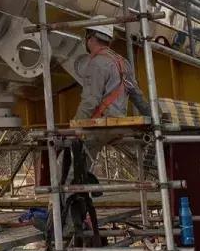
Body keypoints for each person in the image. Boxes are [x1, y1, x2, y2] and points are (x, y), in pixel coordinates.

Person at [65, 24, 152, 185]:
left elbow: (90, 101)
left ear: (90, 38)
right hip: (119, 125)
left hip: (103, 126)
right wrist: (153, 118)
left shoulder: (97, 63)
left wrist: (76, 126)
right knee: (86, 156)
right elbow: (137, 96)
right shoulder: (122, 62)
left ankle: (68, 196)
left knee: (71, 158)